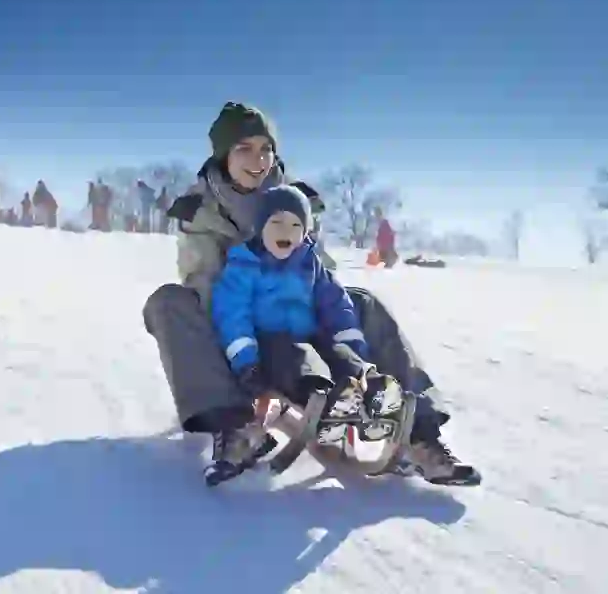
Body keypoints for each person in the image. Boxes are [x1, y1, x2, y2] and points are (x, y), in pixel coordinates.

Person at [142, 101, 480, 486]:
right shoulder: (200, 211)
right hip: (240, 325)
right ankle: (234, 427)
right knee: (169, 302)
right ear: (223, 155)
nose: (258, 160)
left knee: (362, 301)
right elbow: (207, 287)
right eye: (244, 149)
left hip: (301, 313)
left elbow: (320, 270)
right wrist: (251, 358)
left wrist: (337, 335)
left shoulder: (296, 199)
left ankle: (419, 432)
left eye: (266, 148)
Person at [208, 184, 403, 483]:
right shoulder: (243, 266)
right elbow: (232, 315)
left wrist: (350, 345)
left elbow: (337, 303)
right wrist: (246, 361)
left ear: (306, 231)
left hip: (310, 335)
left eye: (296, 225)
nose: (287, 231)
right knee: (300, 358)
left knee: (338, 353)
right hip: (269, 343)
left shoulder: (310, 263)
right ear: (260, 228)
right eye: (277, 223)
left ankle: (370, 390)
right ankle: (328, 403)